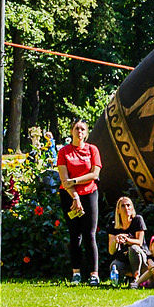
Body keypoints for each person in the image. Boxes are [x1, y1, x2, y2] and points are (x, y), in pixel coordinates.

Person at [56, 119, 103, 285]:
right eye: (76, 128)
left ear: (86, 132)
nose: (79, 132)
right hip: (69, 195)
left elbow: (94, 174)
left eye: (82, 129)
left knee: (90, 234)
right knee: (74, 235)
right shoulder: (64, 152)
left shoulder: (92, 150)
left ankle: (94, 274)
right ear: (71, 131)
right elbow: (64, 179)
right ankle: (76, 272)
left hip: (90, 193)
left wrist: (75, 181)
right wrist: (75, 197)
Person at [104, 195, 149, 285]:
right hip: (124, 259)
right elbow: (111, 251)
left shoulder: (137, 220)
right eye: (123, 206)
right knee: (114, 266)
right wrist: (116, 240)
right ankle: (119, 282)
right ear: (118, 210)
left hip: (141, 259)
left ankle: (136, 279)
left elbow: (139, 242)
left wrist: (127, 239)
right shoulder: (114, 225)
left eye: (128, 205)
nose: (126, 208)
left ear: (132, 208)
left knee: (133, 248)